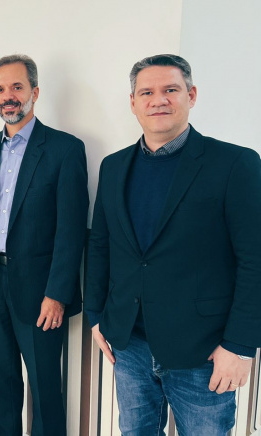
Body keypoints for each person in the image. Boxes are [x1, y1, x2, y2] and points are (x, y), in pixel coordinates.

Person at [85, 54, 261, 434]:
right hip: (130, 345)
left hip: (203, 353)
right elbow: (101, 245)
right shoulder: (113, 167)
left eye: (170, 90)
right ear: (133, 102)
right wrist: (95, 315)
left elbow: (255, 260)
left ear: (191, 95)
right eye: (146, 92)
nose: (158, 100)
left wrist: (240, 346)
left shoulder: (235, 164)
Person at [0, 54, 89, 436]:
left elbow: (71, 231)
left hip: (40, 291)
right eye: (0, 89)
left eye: (17, 87)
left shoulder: (65, 149)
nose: (8, 96)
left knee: (45, 387)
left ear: (35, 91)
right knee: (0, 382)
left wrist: (58, 294)